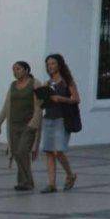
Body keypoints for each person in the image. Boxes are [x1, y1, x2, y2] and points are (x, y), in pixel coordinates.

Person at [0, 61, 41, 191]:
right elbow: (7, 105)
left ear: (26, 70)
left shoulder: (35, 84)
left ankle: (28, 181)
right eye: (13, 69)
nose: (15, 71)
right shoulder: (13, 85)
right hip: (13, 125)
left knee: (23, 151)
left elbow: (39, 106)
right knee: (17, 154)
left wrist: (34, 123)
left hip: (29, 125)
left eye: (18, 69)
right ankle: (23, 182)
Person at [37, 54, 80, 193]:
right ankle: (51, 184)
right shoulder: (47, 83)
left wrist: (61, 98)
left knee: (58, 151)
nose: (50, 66)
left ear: (59, 65)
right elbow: (42, 102)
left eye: (53, 63)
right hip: (48, 117)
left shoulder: (67, 82)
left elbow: (76, 99)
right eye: (48, 64)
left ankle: (70, 174)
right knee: (49, 151)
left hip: (62, 119)